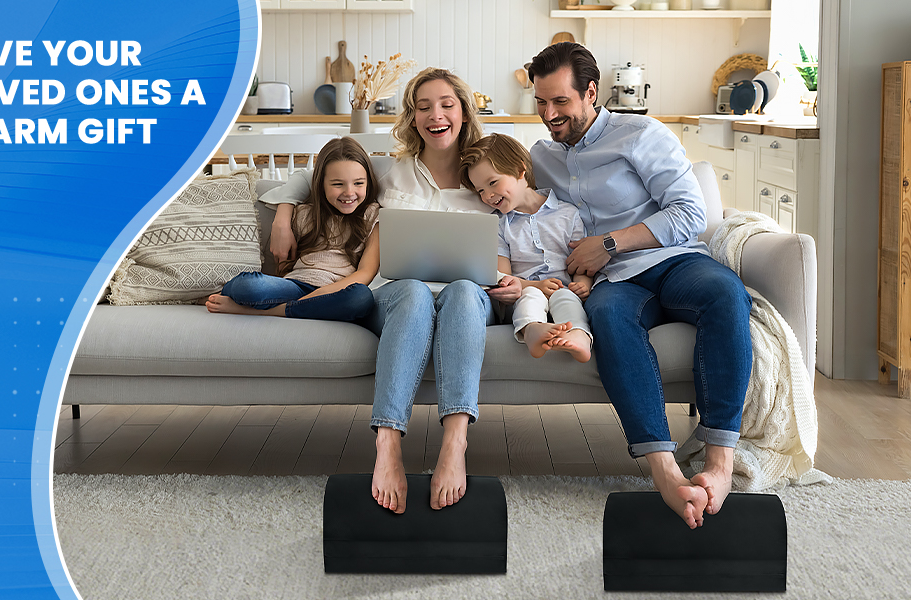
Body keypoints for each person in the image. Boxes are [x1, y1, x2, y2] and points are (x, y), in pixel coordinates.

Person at [527, 42, 753, 529]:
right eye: (540, 102)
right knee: (608, 318)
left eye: (560, 102)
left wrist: (607, 243)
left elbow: (690, 213)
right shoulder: (541, 157)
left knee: (727, 294)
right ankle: (665, 470)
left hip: (672, 261)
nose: (549, 114)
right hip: (614, 282)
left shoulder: (641, 133)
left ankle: (719, 465)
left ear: (591, 92)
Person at [264, 68, 502, 514]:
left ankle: (455, 444)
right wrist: (281, 216)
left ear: (464, 112)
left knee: (467, 291)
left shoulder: (488, 174)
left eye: (447, 105)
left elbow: (531, 197)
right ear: (411, 118)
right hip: (396, 297)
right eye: (423, 107)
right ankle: (388, 445)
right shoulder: (390, 171)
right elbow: (313, 177)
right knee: (411, 290)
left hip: (465, 300)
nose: (436, 116)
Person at [206, 136, 379, 324]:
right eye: (338, 184)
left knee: (361, 298)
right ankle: (300, 309)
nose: (349, 192)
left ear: (368, 182)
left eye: (358, 183)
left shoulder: (373, 216)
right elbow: (283, 265)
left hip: (338, 291)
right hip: (295, 285)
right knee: (247, 285)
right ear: (321, 183)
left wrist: (318, 296)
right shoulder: (304, 213)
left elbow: (366, 272)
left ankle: (263, 312)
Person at [459, 133, 593, 363]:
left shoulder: (568, 213)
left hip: (563, 288)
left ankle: (579, 336)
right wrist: (536, 285)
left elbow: (581, 260)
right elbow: (503, 278)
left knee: (566, 297)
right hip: (523, 292)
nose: (488, 196)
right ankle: (531, 330)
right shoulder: (499, 225)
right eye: (480, 190)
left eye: (492, 183)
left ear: (520, 170)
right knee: (531, 296)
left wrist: (583, 284)